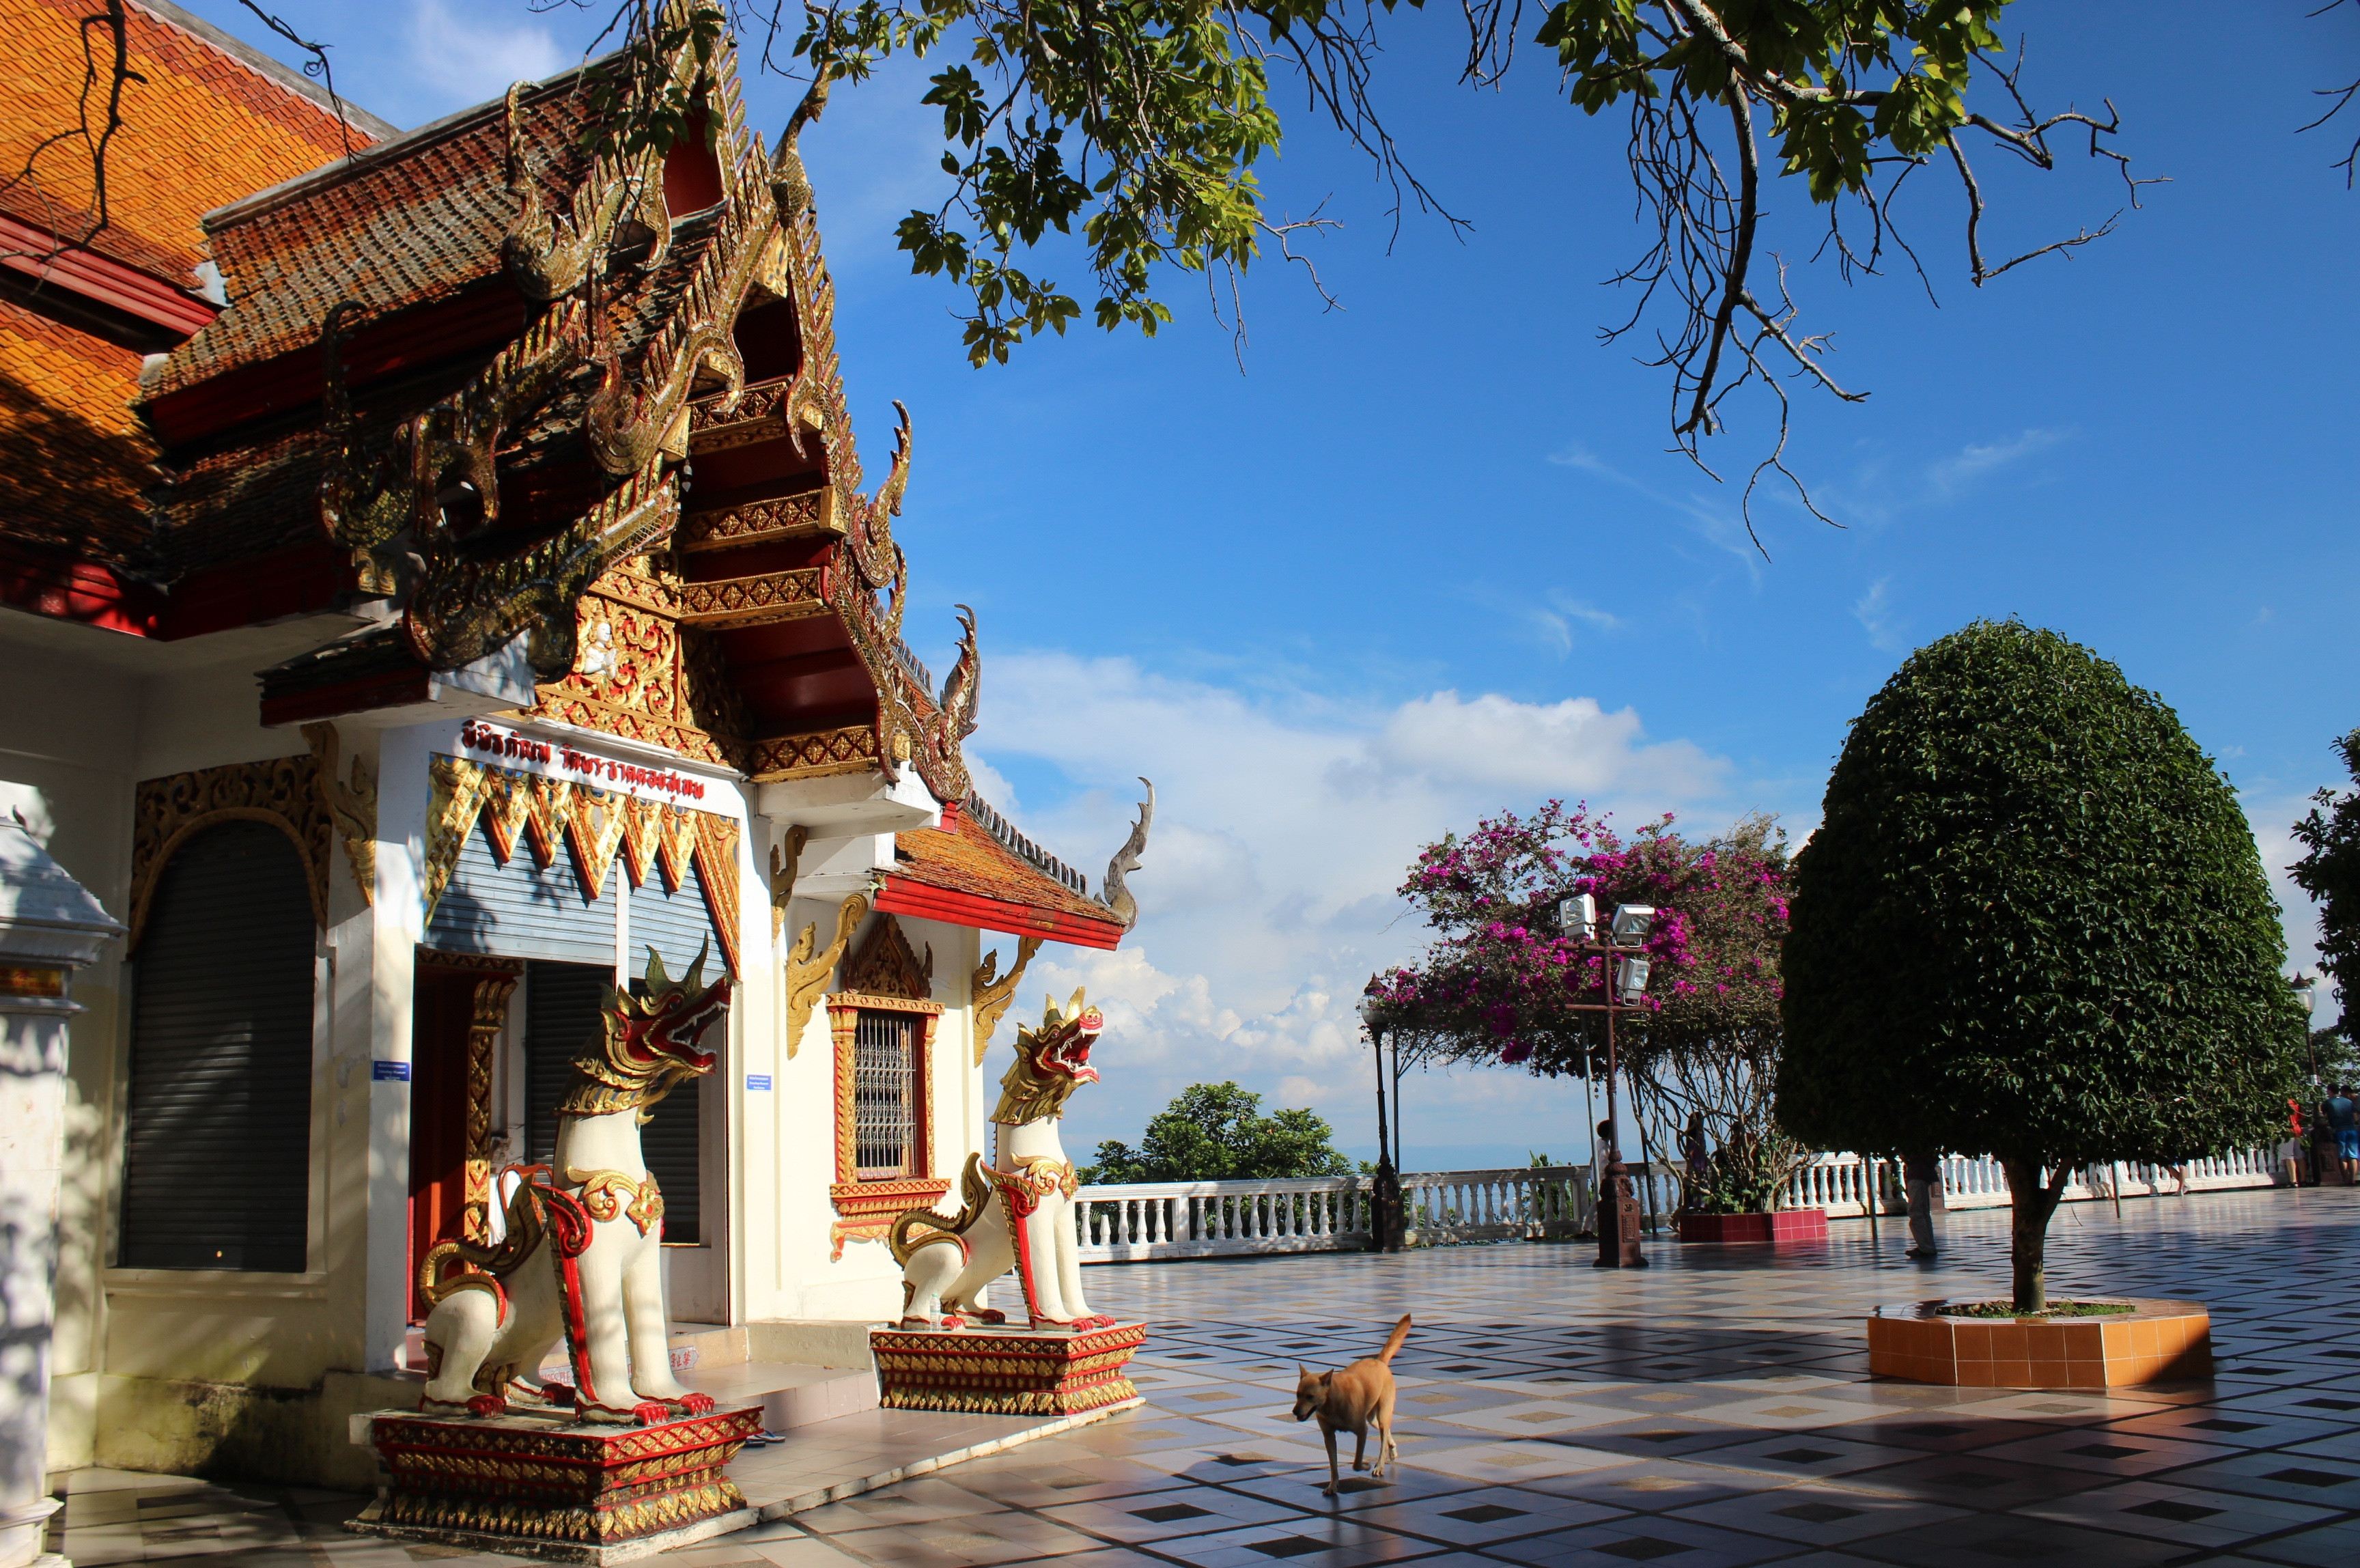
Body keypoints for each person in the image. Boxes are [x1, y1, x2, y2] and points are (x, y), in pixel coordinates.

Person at [1902, 1149, 1940, 1259]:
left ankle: (1926, 1247)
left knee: (1916, 1211)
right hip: (1922, 1173)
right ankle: (1928, 1246)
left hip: (1918, 1173)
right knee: (1922, 1212)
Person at [1678, 1112, 1710, 1212]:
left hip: (1699, 1170)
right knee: (1691, 1198)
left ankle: (1676, 1220)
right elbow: (1691, 1154)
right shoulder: (1695, 1137)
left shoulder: (1697, 1136)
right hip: (1696, 1171)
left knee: (1693, 1199)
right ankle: (1676, 1220)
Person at [2331, 1084, 2359, 1186]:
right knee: (2353, 1155)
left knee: (2343, 1155)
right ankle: (2352, 1179)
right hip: (2352, 1130)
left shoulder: (2333, 1102)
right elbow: (2355, 1117)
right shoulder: (2349, 1102)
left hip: (2341, 1130)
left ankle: (2346, 1179)